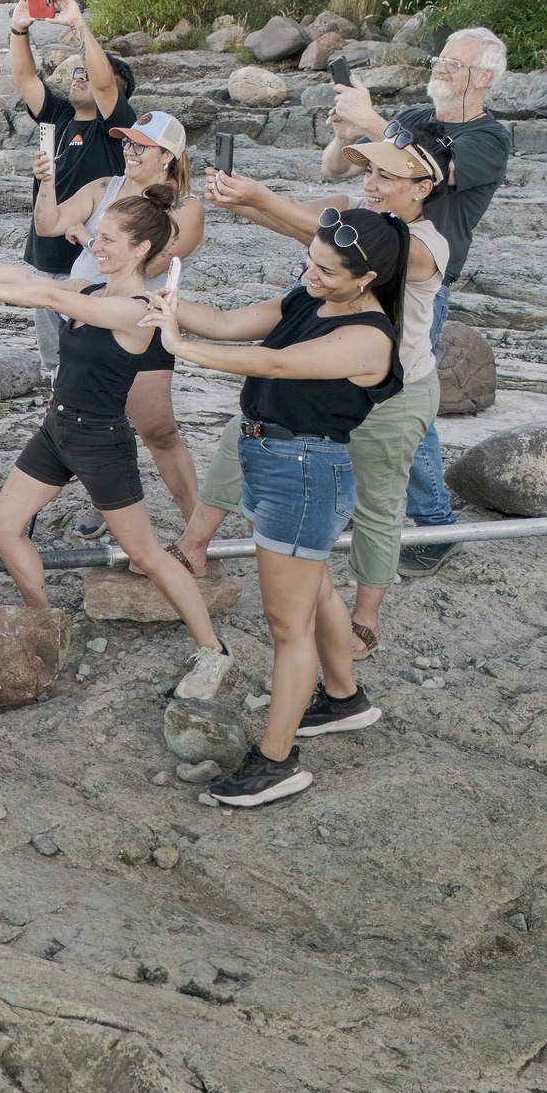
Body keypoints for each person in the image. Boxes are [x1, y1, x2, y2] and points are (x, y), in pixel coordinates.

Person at [142, 207, 408, 807]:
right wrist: (161, 298)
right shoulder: (308, 299)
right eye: (309, 262)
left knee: (289, 630)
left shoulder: (368, 338)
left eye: (325, 270)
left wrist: (179, 345)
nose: (309, 275)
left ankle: (277, 761)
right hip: (273, 460)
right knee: (313, 592)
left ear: (366, 279)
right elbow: (230, 321)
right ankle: (344, 699)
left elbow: (275, 362)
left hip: (306, 472)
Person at [173, 124, 449, 659]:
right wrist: (239, 199)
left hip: (393, 389)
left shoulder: (427, 245)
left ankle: (365, 615)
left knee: (377, 501)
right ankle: (193, 545)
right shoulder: (350, 215)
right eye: (370, 170)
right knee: (242, 434)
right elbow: (303, 227)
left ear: (422, 188)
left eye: (388, 175)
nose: (372, 183)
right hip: (325, 373)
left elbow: (313, 231)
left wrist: (260, 196)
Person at [0, 193, 230, 700]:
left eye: (108, 240)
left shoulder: (137, 310)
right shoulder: (95, 287)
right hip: (58, 430)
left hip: (101, 440)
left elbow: (55, 301)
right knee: (4, 526)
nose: (95, 245)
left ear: (141, 249)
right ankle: (43, 622)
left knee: (146, 554)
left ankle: (212, 649)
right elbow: (40, 284)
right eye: (97, 235)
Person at [323, 28, 512, 576]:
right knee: (358, 388)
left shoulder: (489, 138)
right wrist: (347, 129)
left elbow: (428, 169)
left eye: (454, 64)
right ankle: (371, 506)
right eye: (440, 59)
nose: (441, 69)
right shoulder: (413, 117)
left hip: (420, 281)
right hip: (364, 271)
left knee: (407, 399)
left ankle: (434, 523)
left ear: (484, 78)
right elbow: (335, 170)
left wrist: (374, 119)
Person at [33, 109, 203, 531]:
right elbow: (49, 223)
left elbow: (146, 265)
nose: (128, 150)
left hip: (139, 324)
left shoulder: (187, 208)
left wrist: (90, 238)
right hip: (84, 324)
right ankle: (106, 500)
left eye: (139, 145)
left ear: (168, 156)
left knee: (158, 430)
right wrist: (47, 184)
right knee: (82, 419)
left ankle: (198, 527)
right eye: (126, 142)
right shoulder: (105, 186)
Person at [12, 0, 130, 373]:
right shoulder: (60, 114)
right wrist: (18, 29)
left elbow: (106, 85)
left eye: (88, 74)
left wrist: (80, 26)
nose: (80, 76)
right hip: (47, 260)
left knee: (91, 362)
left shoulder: (115, 130)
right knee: (56, 366)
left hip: (91, 265)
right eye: (77, 73)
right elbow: (25, 77)